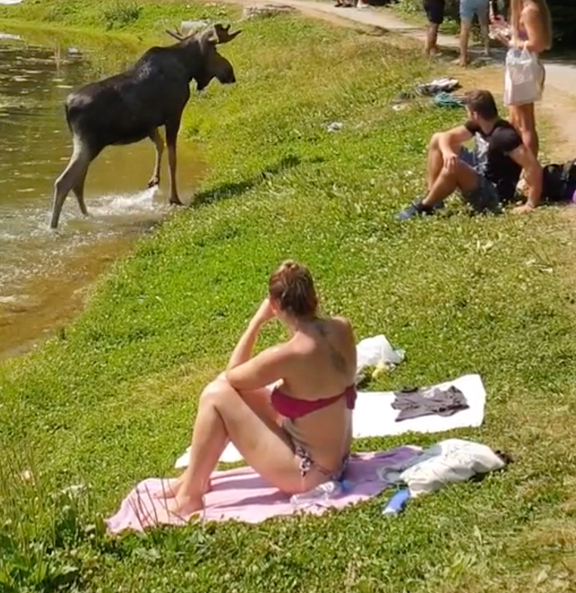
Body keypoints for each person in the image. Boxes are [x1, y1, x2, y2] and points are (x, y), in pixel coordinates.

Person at [153, 261, 357, 520]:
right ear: (315, 299)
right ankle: (194, 476)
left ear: (275, 306)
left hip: (311, 473)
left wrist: (257, 321)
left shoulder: (288, 354)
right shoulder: (342, 327)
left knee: (215, 395)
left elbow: (233, 373)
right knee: (223, 389)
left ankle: (189, 497)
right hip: (338, 460)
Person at [397, 89, 542, 220]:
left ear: (475, 114)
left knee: (454, 167)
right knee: (437, 139)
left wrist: (530, 204)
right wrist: (447, 152)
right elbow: (445, 137)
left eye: (467, 111)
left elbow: (533, 167)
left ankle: (424, 206)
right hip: (481, 172)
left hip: (494, 194)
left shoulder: (504, 136)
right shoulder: (479, 125)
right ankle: (434, 197)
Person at [490, 0, 552, 158]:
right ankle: (519, 165)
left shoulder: (529, 10)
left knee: (525, 123)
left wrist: (511, 41)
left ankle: (531, 170)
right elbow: (524, 37)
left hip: (524, 68)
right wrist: (506, 29)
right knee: (515, 119)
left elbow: (538, 43)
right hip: (519, 66)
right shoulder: (526, 10)